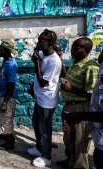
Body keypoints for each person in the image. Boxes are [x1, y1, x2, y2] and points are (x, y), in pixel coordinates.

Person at [57, 37, 99, 168]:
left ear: (86, 50)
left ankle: (79, 166)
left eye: (77, 47)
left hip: (80, 108)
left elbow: (92, 94)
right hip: (69, 107)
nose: (73, 49)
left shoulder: (91, 67)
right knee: (68, 138)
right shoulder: (76, 62)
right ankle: (69, 161)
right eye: (73, 46)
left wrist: (72, 89)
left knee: (79, 142)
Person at [27, 29, 62, 167]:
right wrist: (36, 57)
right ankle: (39, 148)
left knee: (45, 130)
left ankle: (46, 157)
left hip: (47, 99)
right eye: (39, 40)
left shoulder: (54, 61)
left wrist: (37, 63)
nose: (38, 43)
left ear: (50, 43)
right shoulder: (42, 54)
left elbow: (43, 82)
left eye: (41, 41)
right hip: (40, 97)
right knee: (36, 123)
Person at [0, 40, 18, 150]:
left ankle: (9, 143)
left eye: (1, 49)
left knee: (7, 119)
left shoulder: (12, 65)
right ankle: (9, 137)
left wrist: (5, 102)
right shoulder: (5, 61)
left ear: (7, 51)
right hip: (4, 95)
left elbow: (11, 84)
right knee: (4, 118)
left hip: (8, 97)